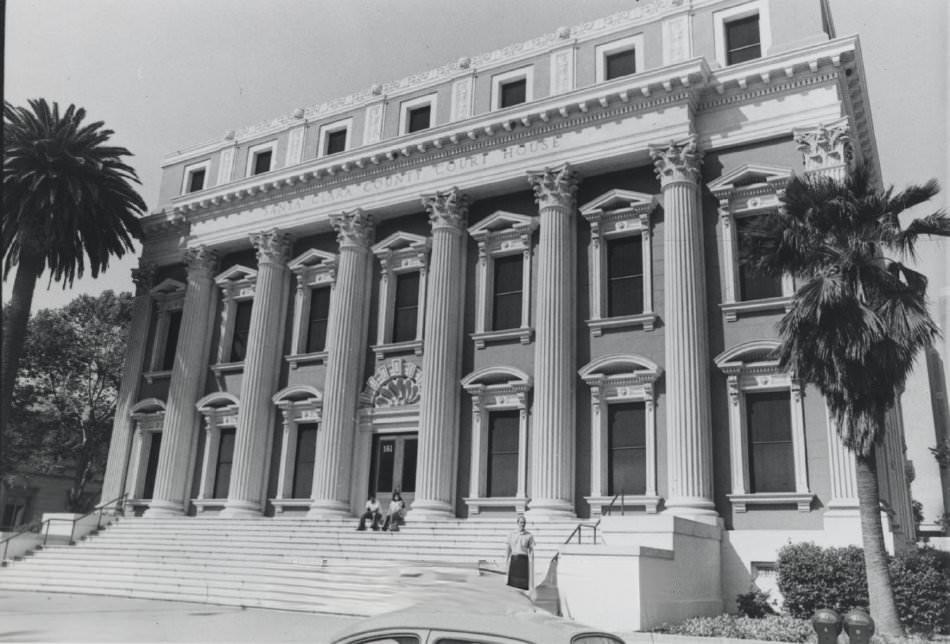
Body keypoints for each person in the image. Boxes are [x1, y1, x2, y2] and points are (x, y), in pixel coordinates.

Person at [505, 514, 535, 590]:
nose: (523, 524)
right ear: (517, 523)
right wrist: (506, 559)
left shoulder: (529, 535)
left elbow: (531, 549)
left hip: (524, 560)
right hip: (514, 559)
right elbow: (508, 548)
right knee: (513, 584)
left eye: (524, 522)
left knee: (522, 585)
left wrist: (531, 561)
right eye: (521, 522)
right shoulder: (511, 534)